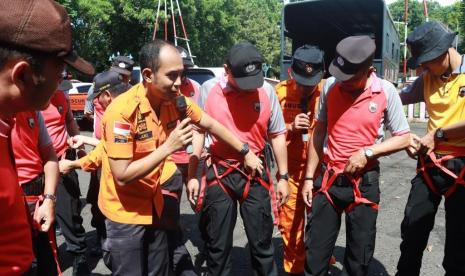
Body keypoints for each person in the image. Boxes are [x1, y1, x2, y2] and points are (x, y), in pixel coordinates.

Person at [98, 39, 263, 275]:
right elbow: (122, 175)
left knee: (160, 268)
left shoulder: (176, 102)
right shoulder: (121, 113)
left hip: (155, 201)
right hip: (125, 212)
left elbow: (210, 123)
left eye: (182, 75)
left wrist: (244, 151)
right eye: (172, 76)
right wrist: (168, 148)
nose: (179, 83)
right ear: (148, 74)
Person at [302, 35, 410, 276]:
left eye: (350, 78)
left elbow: (403, 137)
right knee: (315, 256)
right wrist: (309, 177)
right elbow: (319, 132)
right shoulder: (330, 86)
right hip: (328, 180)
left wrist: (368, 152)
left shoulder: (385, 92)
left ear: (369, 70)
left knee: (358, 260)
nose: (343, 83)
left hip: (364, 183)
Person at [0, 0, 94, 274]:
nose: (62, 80)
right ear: (23, 75)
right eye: (60, 70)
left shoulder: (13, 117)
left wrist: (49, 198)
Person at [188, 42, 289, 275]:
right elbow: (198, 131)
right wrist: (192, 174)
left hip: (255, 172)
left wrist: (283, 176)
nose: (248, 88)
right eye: (243, 82)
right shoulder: (209, 89)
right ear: (226, 70)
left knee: (262, 245)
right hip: (220, 172)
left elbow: (277, 134)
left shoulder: (267, 91)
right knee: (218, 247)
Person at [396, 21, 465, 276]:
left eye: (426, 62)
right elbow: (397, 99)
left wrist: (438, 134)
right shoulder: (428, 77)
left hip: (461, 167)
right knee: (412, 231)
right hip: (430, 165)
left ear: (444, 52)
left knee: (459, 243)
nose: (423, 68)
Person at [275, 44, 327, 274]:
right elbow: (268, 134)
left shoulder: (329, 91)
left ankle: (316, 261)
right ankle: (294, 269)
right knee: (291, 225)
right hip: (292, 172)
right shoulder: (279, 93)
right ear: (290, 73)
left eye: (312, 82)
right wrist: (290, 127)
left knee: (321, 225)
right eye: (302, 83)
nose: (307, 88)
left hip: (321, 171)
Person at [41, 88, 90, 274]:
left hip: (63, 162)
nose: (59, 80)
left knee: (70, 214)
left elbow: (69, 121)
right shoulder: (31, 98)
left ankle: (79, 256)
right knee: (42, 220)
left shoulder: (61, 96)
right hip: (38, 167)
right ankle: (48, 260)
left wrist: (81, 149)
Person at [12, 111, 60, 275]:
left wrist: (49, 199)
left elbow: (49, 156)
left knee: (46, 262)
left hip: (36, 197)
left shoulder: (33, 110)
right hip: (8, 203)